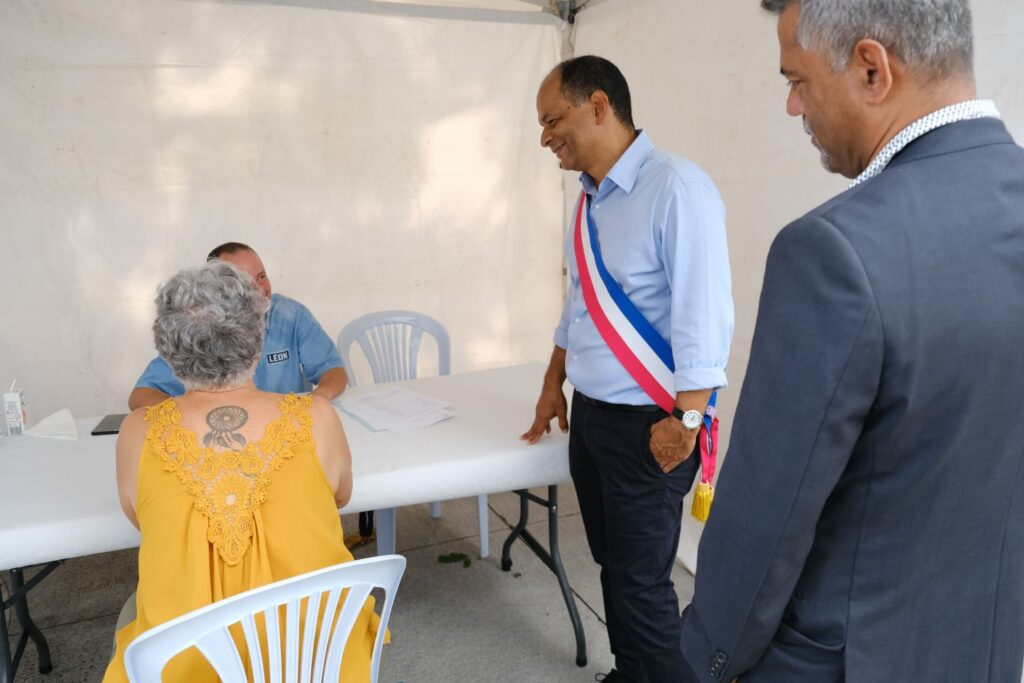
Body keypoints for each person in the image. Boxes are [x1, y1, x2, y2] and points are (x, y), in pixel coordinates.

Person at [678, 1, 1024, 681]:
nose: (791, 106)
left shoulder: (833, 252)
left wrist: (703, 657)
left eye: (797, 79)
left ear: (872, 69)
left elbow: (764, 522)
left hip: (838, 659)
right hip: (983, 643)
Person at [522, 56, 733, 683]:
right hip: (593, 419)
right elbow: (579, 303)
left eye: (552, 120)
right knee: (613, 564)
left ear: (598, 107)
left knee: (641, 586)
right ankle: (634, 671)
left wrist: (685, 421)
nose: (544, 137)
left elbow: (705, 318)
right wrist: (551, 382)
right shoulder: (589, 201)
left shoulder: (677, 189)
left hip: (654, 425)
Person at [103, 262, 383, 682]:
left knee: (133, 614)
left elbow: (140, 518)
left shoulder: (136, 432)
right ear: (257, 340)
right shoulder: (317, 417)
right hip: (315, 654)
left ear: (167, 351)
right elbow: (340, 496)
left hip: (186, 663)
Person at [128, 242, 347, 409]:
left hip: (285, 431)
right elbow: (141, 396)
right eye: (244, 284)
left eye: (262, 276)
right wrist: (191, 414)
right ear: (215, 288)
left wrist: (314, 402)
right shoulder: (200, 323)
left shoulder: (291, 314)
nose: (260, 289)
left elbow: (333, 371)